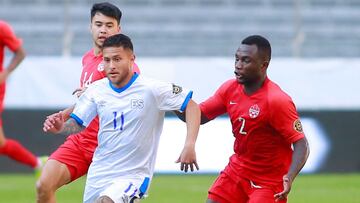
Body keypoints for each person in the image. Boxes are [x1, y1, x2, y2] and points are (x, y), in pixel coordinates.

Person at [44, 33, 200, 203]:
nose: (111, 66)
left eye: (117, 59)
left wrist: (189, 144)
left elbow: (191, 106)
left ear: (132, 59)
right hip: (99, 172)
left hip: (133, 175)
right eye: (107, 60)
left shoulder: (151, 89)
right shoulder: (96, 90)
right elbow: (78, 123)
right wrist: (61, 127)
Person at [179, 35, 309, 203]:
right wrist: (171, 100)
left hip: (268, 181)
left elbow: (301, 144)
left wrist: (289, 177)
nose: (238, 66)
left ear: (264, 65)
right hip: (238, 171)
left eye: (246, 61)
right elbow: (199, 115)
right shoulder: (230, 89)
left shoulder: (277, 100)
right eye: (237, 59)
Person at [36, 2, 140, 203]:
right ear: (90, 27)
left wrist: (102, 91)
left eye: (109, 25)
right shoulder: (87, 59)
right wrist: (65, 114)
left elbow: (134, 95)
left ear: (118, 29)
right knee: (43, 186)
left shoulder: (125, 63)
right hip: (81, 141)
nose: (103, 30)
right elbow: (89, 101)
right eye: (99, 24)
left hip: (111, 148)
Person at [0, 20, 45, 171]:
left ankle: (38, 163)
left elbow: (20, 53)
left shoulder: (2, 28)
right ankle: (38, 163)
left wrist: (5, 73)